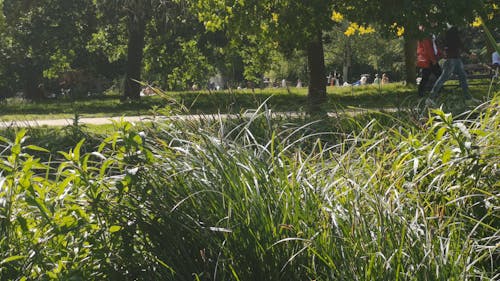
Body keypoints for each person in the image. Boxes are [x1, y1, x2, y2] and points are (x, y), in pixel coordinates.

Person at [427, 26, 477, 105]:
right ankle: (430, 98)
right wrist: (470, 53)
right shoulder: (453, 34)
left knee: (463, 77)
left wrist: (443, 50)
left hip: (456, 59)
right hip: (451, 60)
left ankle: (468, 98)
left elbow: (438, 42)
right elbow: (461, 45)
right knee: (443, 78)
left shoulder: (447, 34)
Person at [417, 27, 442, 97]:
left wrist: (440, 54)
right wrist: (433, 59)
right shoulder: (425, 34)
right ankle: (436, 92)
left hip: (430, 59)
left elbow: (434, 46)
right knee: (438, 75)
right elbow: (428, 48)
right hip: (428, 60)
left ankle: (423, 93)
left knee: (427, 77)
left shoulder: (429, 32)